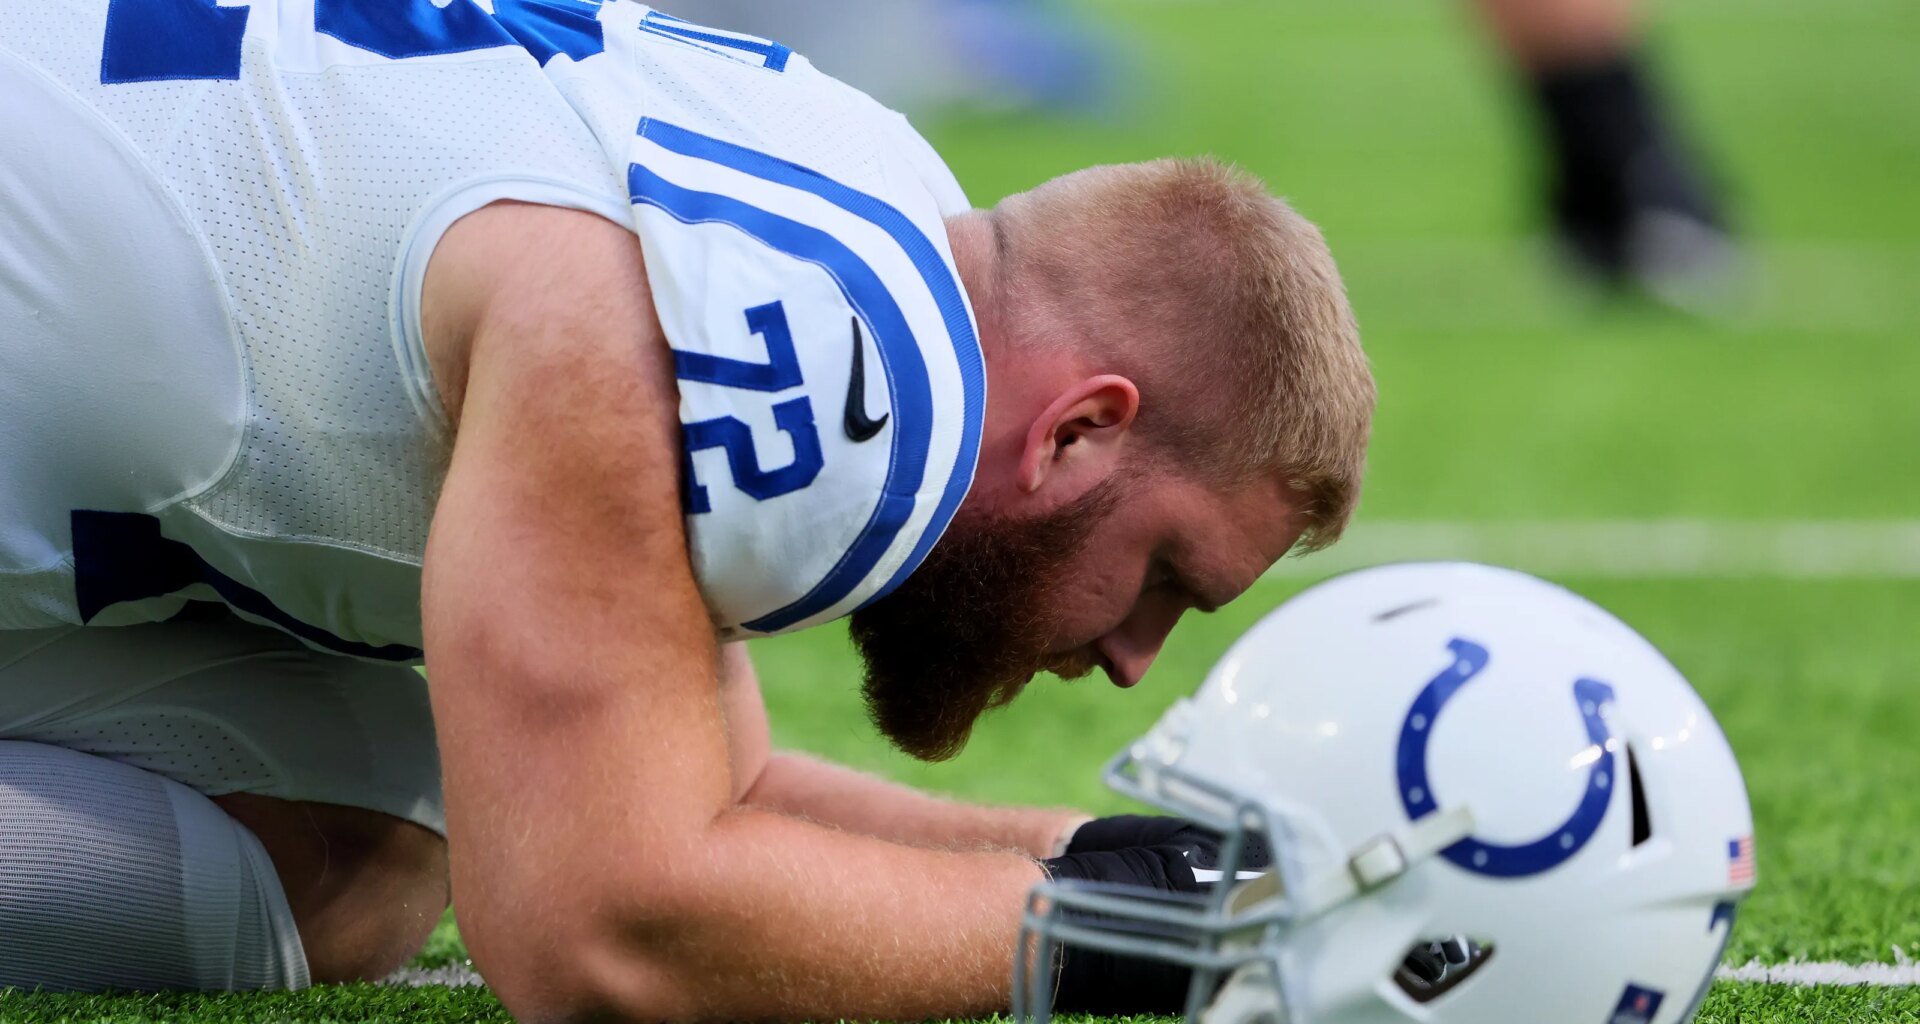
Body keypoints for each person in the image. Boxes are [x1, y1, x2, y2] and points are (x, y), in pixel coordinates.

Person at [0, 0, 1372, 1017]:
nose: (1133, 656)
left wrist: (1121, 865)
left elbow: (726, 792)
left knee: (344, 841)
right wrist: (1117, 939)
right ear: (1079, 430)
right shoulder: (778, 342)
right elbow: (603, 933)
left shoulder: (875, 218)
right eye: (1164, 578)